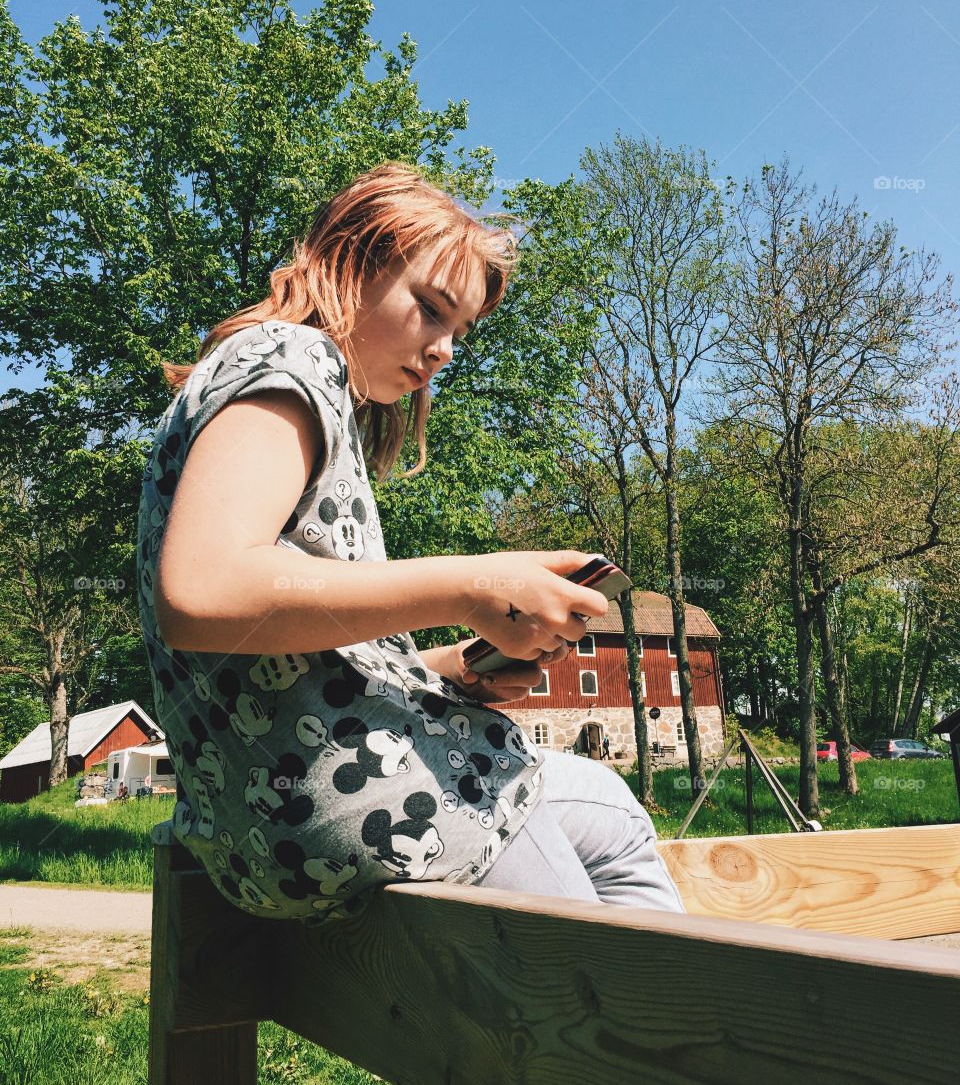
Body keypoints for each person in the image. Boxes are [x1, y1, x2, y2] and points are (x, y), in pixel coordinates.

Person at [136, 162, 685, 927]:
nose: (444, 351)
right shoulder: (292, 359)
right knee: (614, 998)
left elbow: (279, 666)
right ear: (347, 261)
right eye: (429, 309)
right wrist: (473, 582)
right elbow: (202, 593)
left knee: (610, 814)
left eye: (458, 331)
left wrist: (457, 666)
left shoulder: (252, 375)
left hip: (262, 830)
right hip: (378, 803)